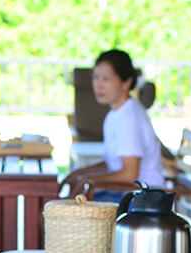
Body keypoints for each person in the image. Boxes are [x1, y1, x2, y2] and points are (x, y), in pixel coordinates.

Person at [61, 49, 164, 202]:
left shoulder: (130, 117)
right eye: (96, 78)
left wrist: (86, 180)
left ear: (126, 82)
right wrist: (79, 174)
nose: (98, 85)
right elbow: (114, 165)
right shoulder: (116, 113)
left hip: (143, 201)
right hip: (126, 194)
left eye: (106, 79)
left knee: (67, 209)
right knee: (64, 202)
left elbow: (129, 175)